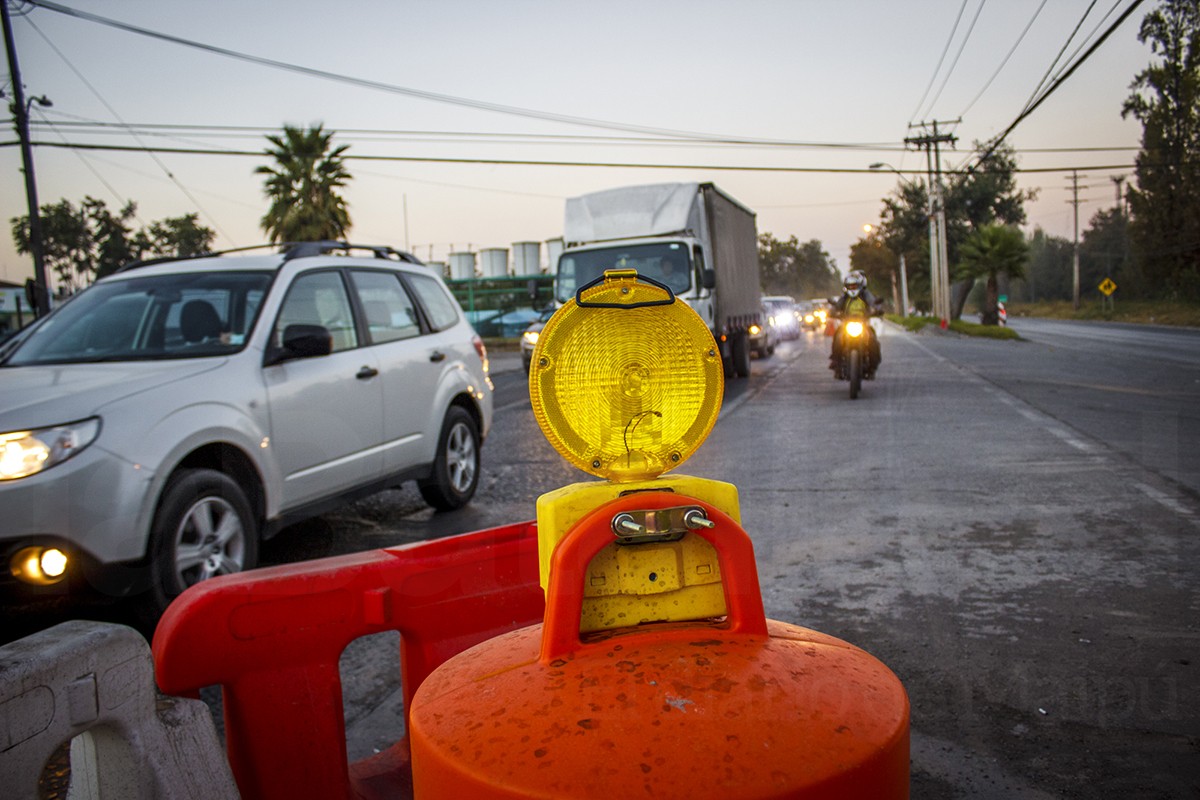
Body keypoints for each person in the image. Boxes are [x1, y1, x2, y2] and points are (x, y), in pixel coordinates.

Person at [829, 271, 883, 377]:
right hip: (846, 325)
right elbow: (837, 306)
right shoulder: (844, 297)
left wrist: (876, 310)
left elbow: (873, 303)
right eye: (850, 286)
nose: (852, 288)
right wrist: (833, 312)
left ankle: (873, 366)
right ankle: (836, 362)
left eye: (854, 285)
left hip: (863, 324)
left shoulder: (866, 295)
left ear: (860, 285)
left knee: (872, 340)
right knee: (838, 337)